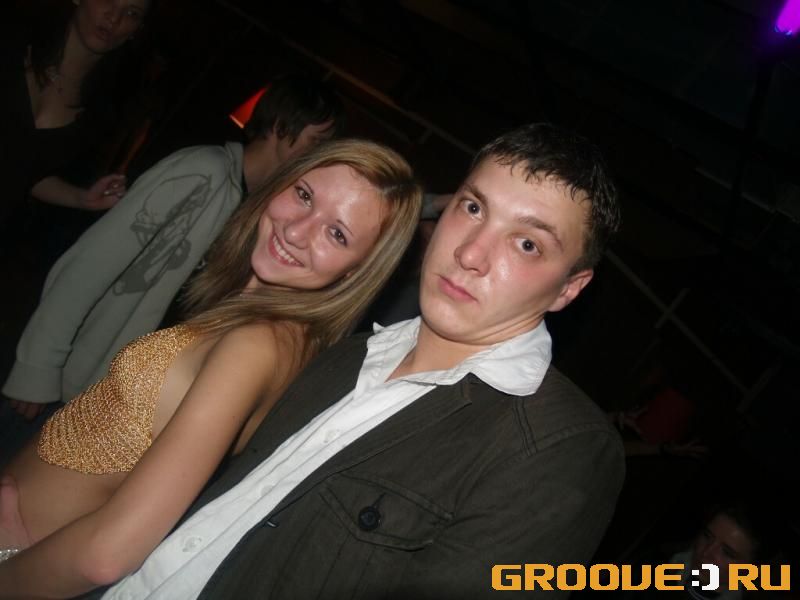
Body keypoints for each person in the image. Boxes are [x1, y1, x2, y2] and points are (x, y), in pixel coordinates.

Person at [90, 122, 623, 599]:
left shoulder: (559, 449)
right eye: (473, 208)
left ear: (569, 288)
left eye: (527, 244)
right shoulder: (346, 355)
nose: (470, 254)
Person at [0, 138, 422, 596]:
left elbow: (110, 553)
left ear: (356, 271)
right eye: (304, 195)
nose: (297, 231)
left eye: (336, 234)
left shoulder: (257, 344)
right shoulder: (267, 321)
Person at [1, 73, 346, 426]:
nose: (319, 156)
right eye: (317, 141)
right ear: (281, 124)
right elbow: (90, 263)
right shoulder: (203, 170)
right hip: (65, 382)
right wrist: (36, 368)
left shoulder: (262, 212)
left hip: (117, 397)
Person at [1, 0, 154, 227]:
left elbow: (25, 171)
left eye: (132, 13)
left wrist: (81, 199)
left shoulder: (101, 109)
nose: (114, 18)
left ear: (136, 30)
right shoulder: (12, 39)